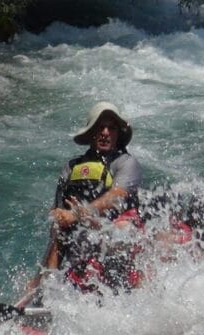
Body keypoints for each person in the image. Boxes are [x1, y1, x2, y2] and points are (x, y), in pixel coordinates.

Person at [16, 101, 141, 307]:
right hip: (83, 246)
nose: (105, 132)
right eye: (100, 127)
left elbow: (118, 194)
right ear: (91, 133)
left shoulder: (127, 163)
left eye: (111, 127)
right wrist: (39, 276)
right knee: (59, 228)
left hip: (116, 241)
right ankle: (45, 294)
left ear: (118, 133)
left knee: (123, 229)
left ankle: (135, 293)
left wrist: (83, 213)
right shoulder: (71, 167)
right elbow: (59, 220)